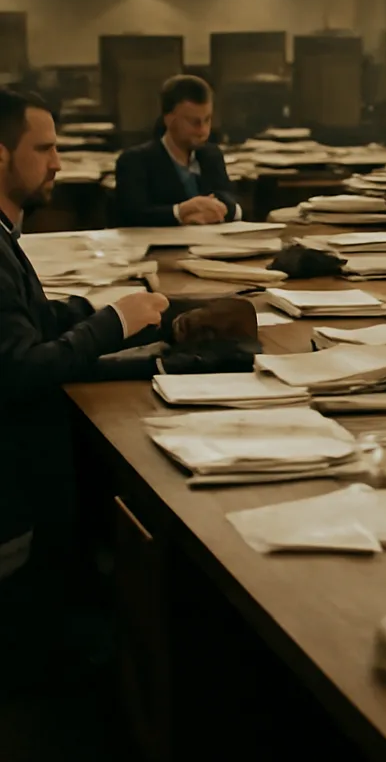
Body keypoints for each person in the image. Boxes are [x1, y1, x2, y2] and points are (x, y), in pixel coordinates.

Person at [0, 89, 167, 689]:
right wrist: (115, 322)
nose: (58, 163)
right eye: (43, 148)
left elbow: (33, 321)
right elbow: (21, 367)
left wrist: (119, 324)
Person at [115, 74, 240, 227]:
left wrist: (223, 209)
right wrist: (180, 212)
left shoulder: (211, 155)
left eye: (207, 120)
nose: (202, 130)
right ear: (169, 119)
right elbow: (131, 216)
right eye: (193, 122)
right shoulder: (135, 161)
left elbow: (231, 202)